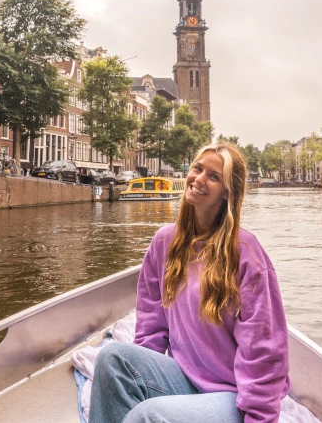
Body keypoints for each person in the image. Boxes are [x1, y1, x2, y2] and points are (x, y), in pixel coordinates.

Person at [89, 142, 290, 423]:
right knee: (112, 358)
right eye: (198, 169)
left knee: (149, 415)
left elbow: (264, 350)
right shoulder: (163, 242)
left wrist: (258, 417)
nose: (199, 179)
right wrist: (143, 380)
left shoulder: (246, 253)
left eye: (214, 176)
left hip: (232, 395)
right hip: (184, 377)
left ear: (227, 194)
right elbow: (150, 325)